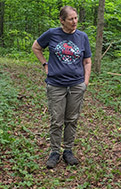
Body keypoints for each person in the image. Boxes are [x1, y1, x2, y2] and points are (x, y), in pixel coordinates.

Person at [31, 6, 92, 169]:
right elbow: (36, 47)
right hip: (56, 84)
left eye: (76, 18)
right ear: (62, 20)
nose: (74, 22)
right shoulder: (52, 33)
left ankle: (68, 151)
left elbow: (87, 61)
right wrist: (45, 63)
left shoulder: (82, 37)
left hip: (76, 85)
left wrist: (85, 82)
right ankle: (54, 152)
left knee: (72, 119)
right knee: (56, 120)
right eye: (71, 19)